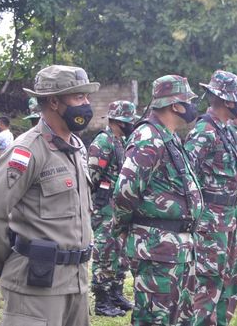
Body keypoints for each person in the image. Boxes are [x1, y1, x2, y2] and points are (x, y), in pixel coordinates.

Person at [0, 65, 99, 325]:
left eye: (87, 97)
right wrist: (6, 265)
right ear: (54, 102)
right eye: (79, 97)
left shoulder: (76, 148)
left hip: (76, 285)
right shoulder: (27, 151)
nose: (86, 104)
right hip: (35, 289)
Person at [112, 75, 203, 325]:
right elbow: (125, 191)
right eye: (188, 100)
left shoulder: (168, 136)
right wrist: (121, 228)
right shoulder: (148, 137)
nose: (193, 106)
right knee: (154, 319)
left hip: (177, 248)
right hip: (157, 249)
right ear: (175, 105)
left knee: (178, 317)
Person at [184, 70, 237, 326]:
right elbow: (187, 178)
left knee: (229, 281)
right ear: (229, 101)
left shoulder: (226, 130)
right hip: (212, 223)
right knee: (208, 284)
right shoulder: (204, 131)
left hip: (230, 219)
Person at [87, 100, 137, 317]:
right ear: (119, 120)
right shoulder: (103, 142)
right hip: (104, 208)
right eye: (129, 120)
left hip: (118, 208)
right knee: (104, 254)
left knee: (120, 254)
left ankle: (116, 293)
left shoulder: (121, 142)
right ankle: (102, 300)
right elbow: (92, 178)